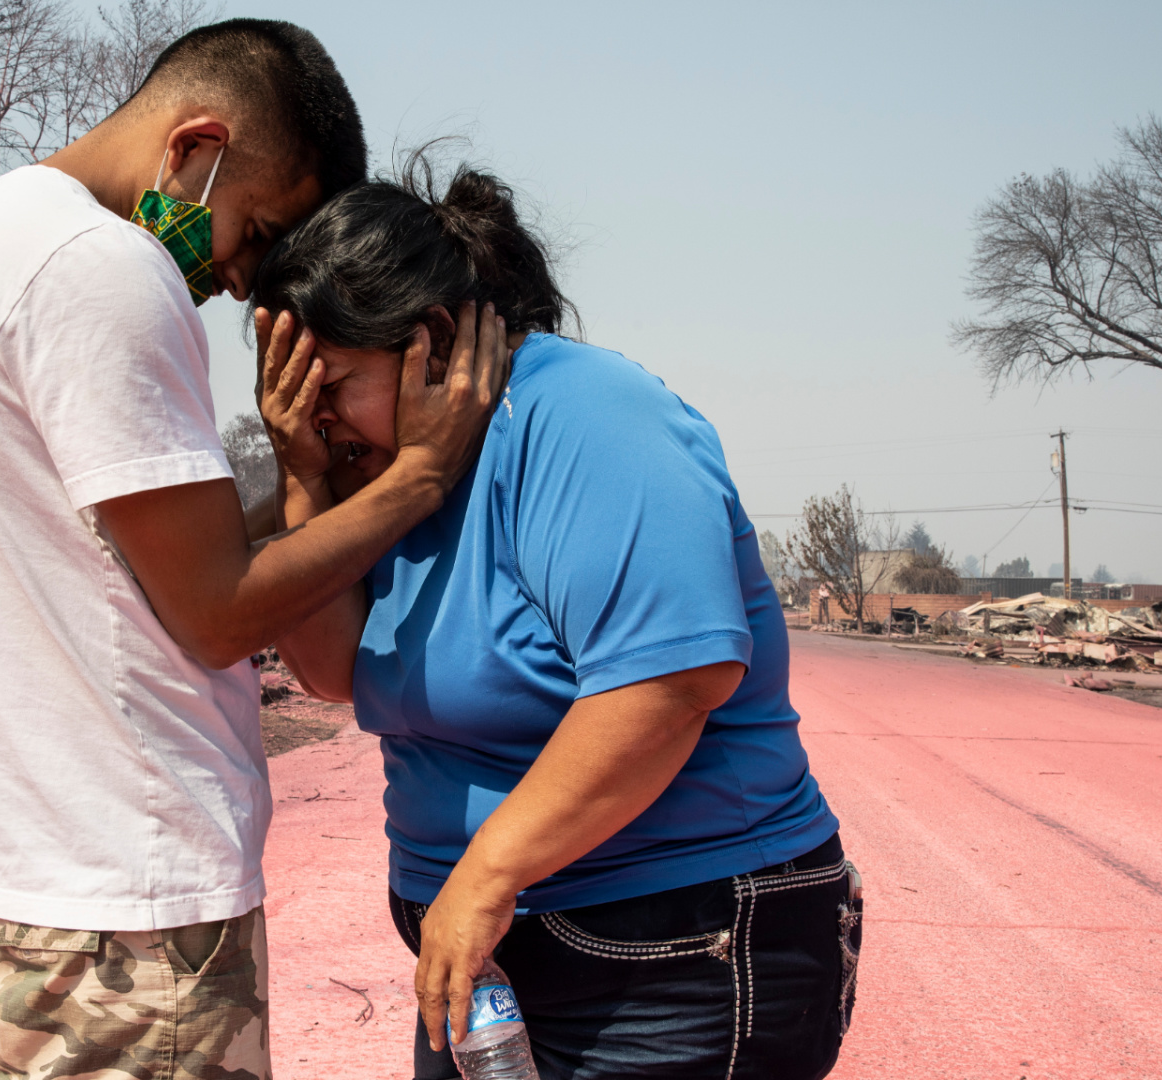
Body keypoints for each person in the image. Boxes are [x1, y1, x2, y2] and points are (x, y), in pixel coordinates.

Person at [0, 22, 508, 1080]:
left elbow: (132, 566)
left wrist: (300, 471)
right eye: (259, 231)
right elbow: (220, 612)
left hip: (50, 889)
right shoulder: (103, 271)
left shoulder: (0, 233)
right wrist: (417, 477)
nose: (239, 281)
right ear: (196, 147)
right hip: (132, 900)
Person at [251, 161, 861, 1080]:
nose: (313, 414)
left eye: (329, 384)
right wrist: (303, 477)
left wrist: (484, 879)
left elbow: (666, 682)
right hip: (486, 961)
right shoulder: (396, 475)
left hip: (673, 949)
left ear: (433, 340)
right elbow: (339, 670)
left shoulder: (584, 414)